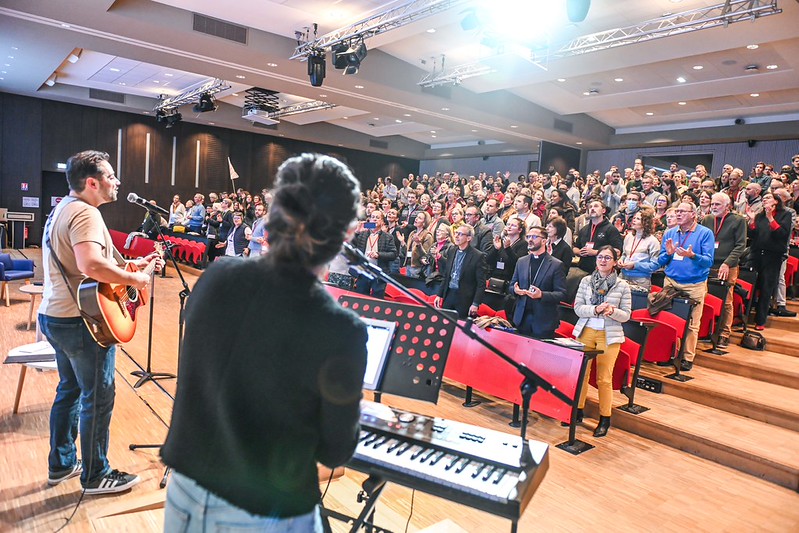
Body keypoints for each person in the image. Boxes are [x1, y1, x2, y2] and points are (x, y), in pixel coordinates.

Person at [162, 153, 368, 532]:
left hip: (185, 493)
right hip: (264, 510)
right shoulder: (340, 329)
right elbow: (336, 451)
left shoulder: (216, 276)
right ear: (347, 235)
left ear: (273, 211)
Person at [40, 150, 162, 493]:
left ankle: (61, 464)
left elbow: (89, 264)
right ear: (92, 183)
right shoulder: (86, 214)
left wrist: (132, 267)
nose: (117, 181)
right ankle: (96, 475)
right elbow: (92, 266)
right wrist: (136, 280)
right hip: (82, 321)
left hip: (56, 316)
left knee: (70, 390)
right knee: (99, 395)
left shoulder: (62, 208)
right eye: (111, 176)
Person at [573, 245, 632, 437]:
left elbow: (626, 315)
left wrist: (612, 311)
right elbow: (578, 308)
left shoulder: (622, 285)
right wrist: (595, 310)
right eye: (600, 257)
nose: (603, 260)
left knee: (604, 379)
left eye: (608, 258)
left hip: (609, 334)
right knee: (581, 374)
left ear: (615, 262)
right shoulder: (586, 281)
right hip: (587, 331)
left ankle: (604, 418)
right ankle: (578, 410)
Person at [657, 202, 715, 371]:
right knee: (666, 320)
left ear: (693, 214)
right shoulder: (670, 233)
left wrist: (692, 255)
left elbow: (708, 261)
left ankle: (687, 357)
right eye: (677, 211)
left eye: (682, 211)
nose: (679, 214)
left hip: (694, 284)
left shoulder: (705, 233)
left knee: (691, 323)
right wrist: (667, 254)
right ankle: (667, 354)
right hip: (671, 282)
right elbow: (661, 261)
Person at [701, 193, 747, 346]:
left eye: (717, 205)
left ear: (727, 206)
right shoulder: (707, 219)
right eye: (712, 204)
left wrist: (727, 263)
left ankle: (724, 333)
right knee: (705, 297)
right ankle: (707, 329)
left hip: (727, 265)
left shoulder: (738, 220)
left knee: (726, 300)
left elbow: (740, 245)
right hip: (708, 264)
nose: (713, 207)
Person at [510, 226, 566, 339]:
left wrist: (542, 295)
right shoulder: (521, 261)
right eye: (528, 236)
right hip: (521, 318)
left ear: (544, 240)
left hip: (543, 321)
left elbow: (562, 294)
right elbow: (512, 286)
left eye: (534, 237)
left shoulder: (556, 265)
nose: (530, 239)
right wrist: (515, 290)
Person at [748, 192, 793, 330]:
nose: (764, 200)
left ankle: (760, 321)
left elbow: (782, 234)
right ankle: (744, 316)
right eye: (763, 199)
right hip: (756, 254)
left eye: (767, 198)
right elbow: (752, 235)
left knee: (767, 288)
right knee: (751, 286)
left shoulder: (785, 214)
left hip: (772, 256)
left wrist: (770, 218)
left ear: (776, 201)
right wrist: (751, 221)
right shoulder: (759, 215)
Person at [435, 224, 488, 318]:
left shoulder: (478, 256)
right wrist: (439, 294)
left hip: (464, 298)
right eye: (456, 233)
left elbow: (481, 283)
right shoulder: (452, 250)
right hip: (449, 294)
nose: (456, 236)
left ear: (468, 238)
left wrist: (475, 303)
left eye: (460, 234)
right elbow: (447, 275)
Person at [351, 210, 398, 298]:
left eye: (377, 218)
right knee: (361, 298)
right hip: (363, 272)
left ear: (382, 221)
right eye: (373, 217)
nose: (375, 220)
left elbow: (393, 254)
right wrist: (356, 232)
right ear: (369, 220)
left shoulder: (388, 237)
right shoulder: (362, 234)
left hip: (379, 273)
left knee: (378, 299)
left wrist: (378, 254)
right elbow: (351, 246)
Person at [618, 206, 660, 291]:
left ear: (646, 222)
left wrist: (635, 265)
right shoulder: (628, 237)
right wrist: (621, 260)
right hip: (623, 275)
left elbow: (655, 265)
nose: (634, 220)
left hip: (641, 280)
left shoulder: (653, 241)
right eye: (634, 218)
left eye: (638, 219)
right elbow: (624, 254)